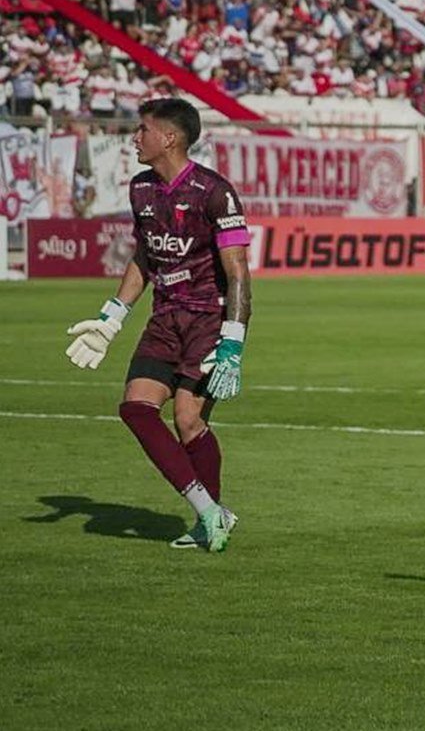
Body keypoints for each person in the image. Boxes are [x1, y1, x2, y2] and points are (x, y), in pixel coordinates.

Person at [64, 97, 251, 552]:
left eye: (142, 129)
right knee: (136, 409)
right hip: (164, 317)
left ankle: (209, 519)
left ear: (168, 137)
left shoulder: (215, 192)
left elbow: (238, 272)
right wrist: (112, 317)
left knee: (188, 420)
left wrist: (233, 342)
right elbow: (145, 255)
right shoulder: (141, 188)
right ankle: (210, 511)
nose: (134, 138)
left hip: (208, 319)